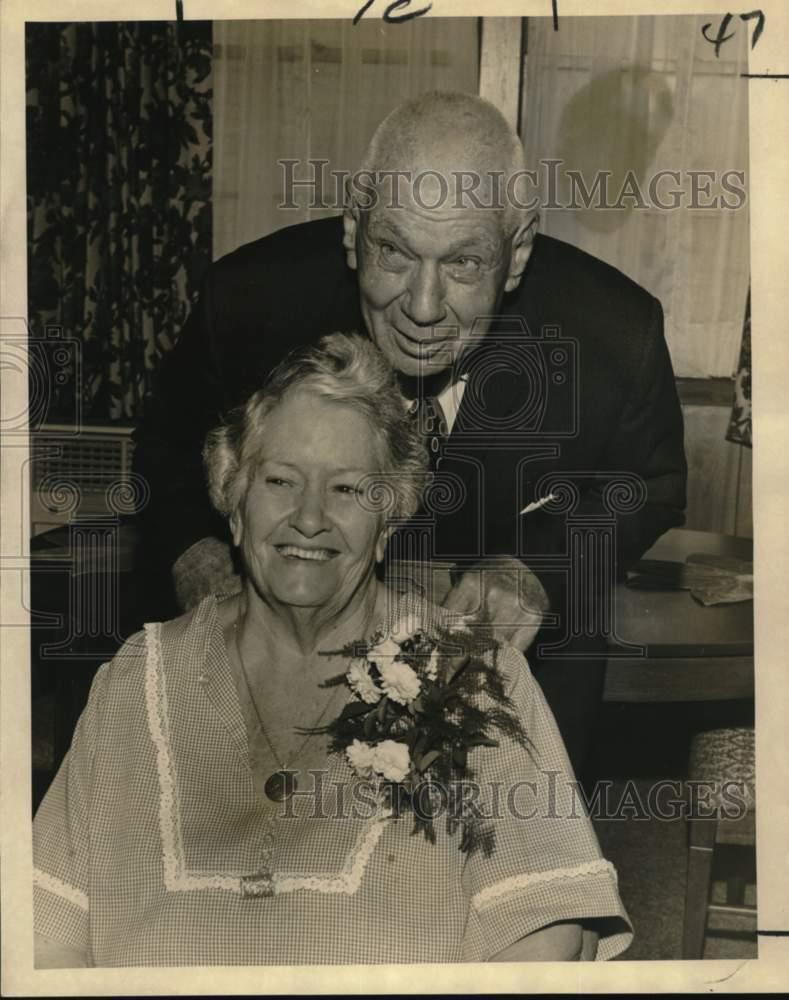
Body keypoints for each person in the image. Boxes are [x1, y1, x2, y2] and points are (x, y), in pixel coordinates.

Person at [132, 91, 687, 779]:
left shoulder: (613, 335)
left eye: (462, 265)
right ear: (351, 230)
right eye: (393, 253)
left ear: (515, 257)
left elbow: (650, 483)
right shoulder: (246, 301)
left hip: (509, 688)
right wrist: (197, 551)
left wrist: (538, 569)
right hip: (276, 659)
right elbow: (164, 444)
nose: (421, 309)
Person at [34, 334, 632, 967]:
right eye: (280, 480)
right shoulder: (139, 675)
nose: (309, 517)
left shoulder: (471, 676)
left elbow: (547, 926)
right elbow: (47, 928)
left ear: (388, 522)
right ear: (233, 505)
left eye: (347, 490)